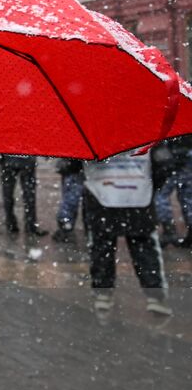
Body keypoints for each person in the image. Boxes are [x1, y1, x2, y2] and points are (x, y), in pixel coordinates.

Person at [83, 150, 171, 315]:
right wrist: (150, 183)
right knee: (144, 247)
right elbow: (163, 165)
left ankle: (103, 292)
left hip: (101, 197)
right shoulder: (147, 130)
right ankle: (154, 294)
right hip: (138, 196)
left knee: (102, 247)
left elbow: (71, 165)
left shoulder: (89, 132)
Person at [152, 134, 192, 247]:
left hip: (170, 153)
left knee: (162, 193)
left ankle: (169, 230)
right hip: (185, 152)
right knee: (188, 194)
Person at [0, 153, 47, 236]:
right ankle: (30, 225)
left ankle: (10, 222)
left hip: (9, 159)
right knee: (29, 193)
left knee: (8, 192)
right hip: (26, 160)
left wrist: (0, 157)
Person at [51, 157, 86, 243]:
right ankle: (66, 227)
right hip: (75, 169)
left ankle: (66, 226)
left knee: (70, 200)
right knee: (71, 200)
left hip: (73, 169)